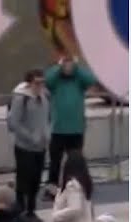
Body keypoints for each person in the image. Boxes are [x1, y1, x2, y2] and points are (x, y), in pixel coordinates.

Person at [44, 56, 97, 193]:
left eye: (70, 65)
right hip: (58, 129)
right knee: (55, 161)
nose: (68, 68)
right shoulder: (56, 81)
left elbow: (91, 79)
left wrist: (77, 66)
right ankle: (52, 188)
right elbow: (47, 80)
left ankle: (78, 185)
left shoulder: (79, 80)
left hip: (76, 129)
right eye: (65, 65)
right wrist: (59, 66)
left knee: (76, 161)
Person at [7, 69, 51, 222]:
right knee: (23, 179)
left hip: (40, 147)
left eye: (42, 82)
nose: (40, 86)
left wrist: (47, 134)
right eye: (37, 83)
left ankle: (31, 210)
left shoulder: (44, 97)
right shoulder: (21, 98)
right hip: (24, 147)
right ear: (29, 83)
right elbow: (13, 123)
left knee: (36, 179)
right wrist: (31, 137)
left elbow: (46, 118)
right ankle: (20, 211)